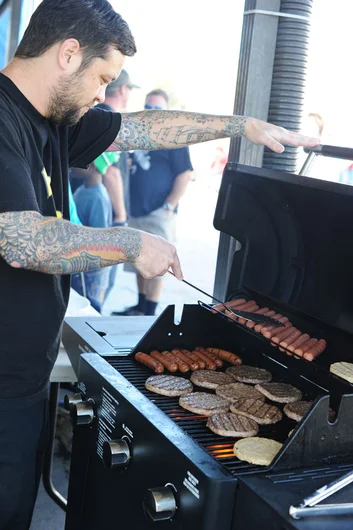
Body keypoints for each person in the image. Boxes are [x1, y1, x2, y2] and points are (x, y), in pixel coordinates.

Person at [0, 0, 318, 527]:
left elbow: (143, 129)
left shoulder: (53, 119)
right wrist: (129, 242)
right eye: (102, 77)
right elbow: (18, 239)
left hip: (21, 380)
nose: (102, 93)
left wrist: (241, 125)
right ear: (68, 53)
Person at [112, 89, 193, 316]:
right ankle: (140, 305)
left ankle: (149, 310)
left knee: (157, 263)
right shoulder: (138, 135)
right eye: (148, 108)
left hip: (159, 211)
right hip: (136, 209)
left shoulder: (174, 138)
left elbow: (185, 174)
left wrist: (169, 205)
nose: (152, 112)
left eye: (157, 108)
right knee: (138, 259)